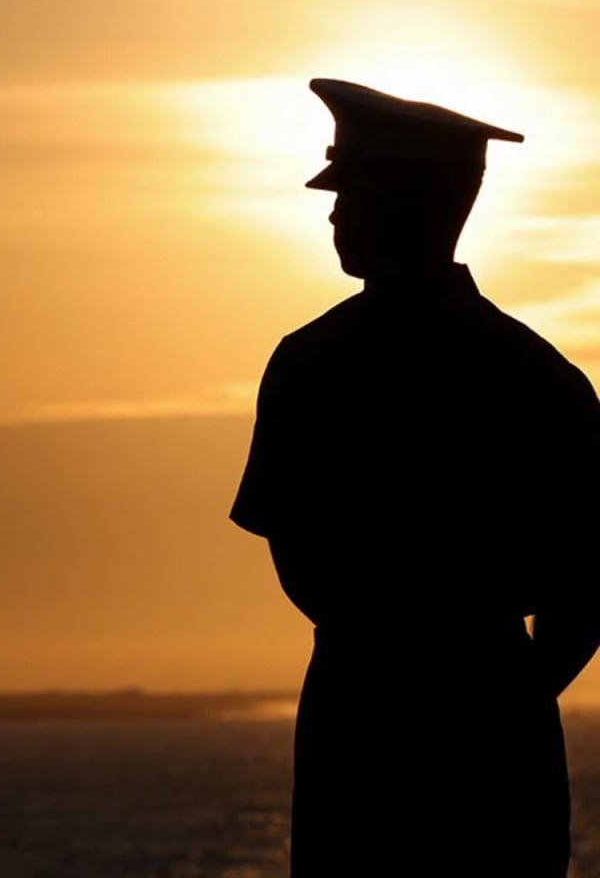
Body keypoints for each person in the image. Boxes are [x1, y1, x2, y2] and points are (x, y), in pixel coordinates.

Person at [229, 78, 600, 878]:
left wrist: (391, 660)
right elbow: (588, 585)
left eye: (351, 195)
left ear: (403, 205)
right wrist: (508, 699)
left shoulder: (315, 363)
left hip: (360, 717)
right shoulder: (542, 375)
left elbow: (296, 555)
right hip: (498, 723)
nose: (333, 215)